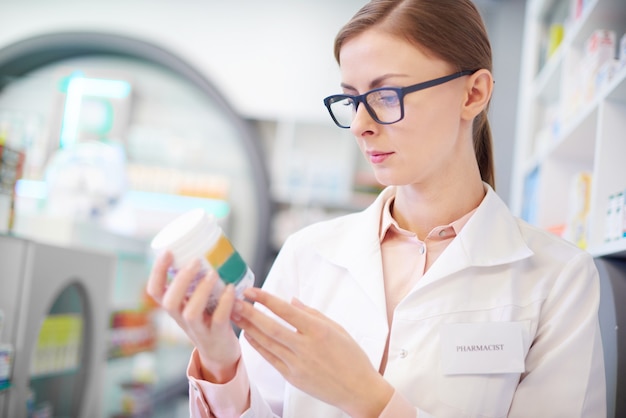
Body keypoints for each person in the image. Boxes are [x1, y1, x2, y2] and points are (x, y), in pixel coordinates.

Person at [147, 0, 607, 416]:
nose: (360, 126)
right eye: (351, 99)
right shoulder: (308, 254)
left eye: (386, 96)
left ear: (473, 94)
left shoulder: (558, 279)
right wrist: (221, 360)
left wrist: (367, 398)